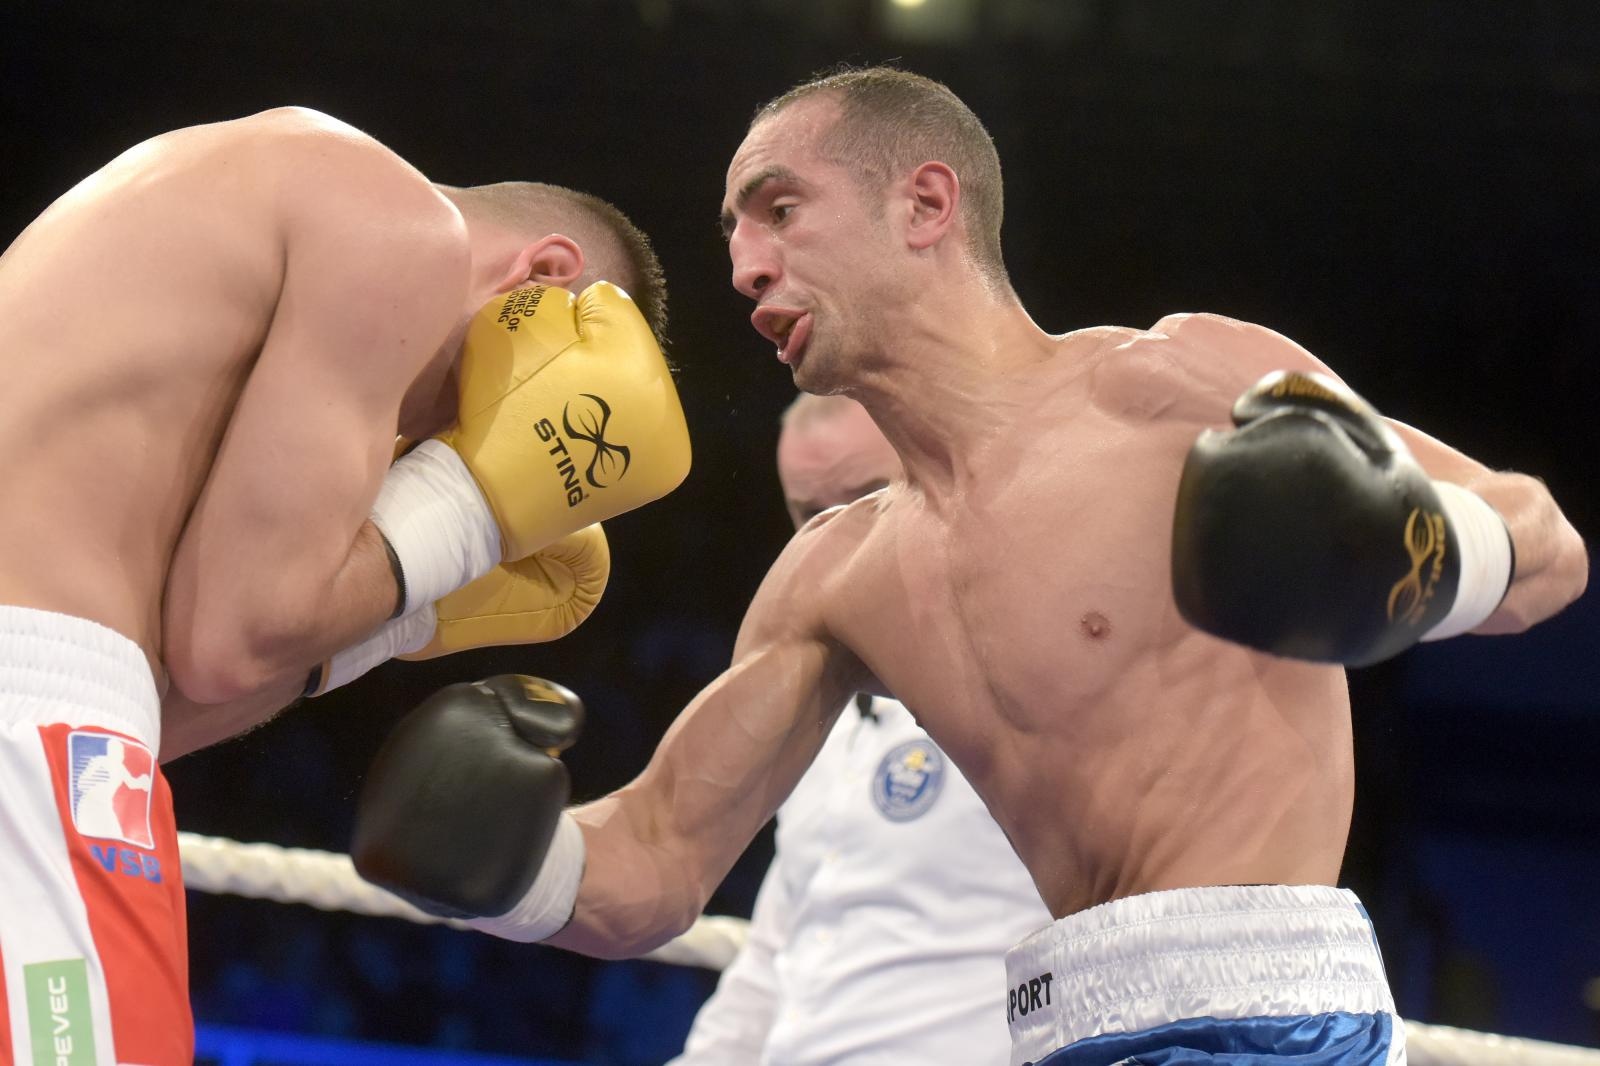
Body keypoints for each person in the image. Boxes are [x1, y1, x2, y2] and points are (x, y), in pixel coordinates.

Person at [353, 68, 1588, 1064]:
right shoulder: (834, 575)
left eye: (778, 209)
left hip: (1270, 1011)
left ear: (926, 205)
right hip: (1062, 1027)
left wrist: (1412, 554)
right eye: (731, 232)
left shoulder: (1172, 386)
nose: (743, 267)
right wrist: (503, 864)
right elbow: (653, 869)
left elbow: (1542, 546)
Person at [0, 105, 689, 1065]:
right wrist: (471, 508)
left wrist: (396, 619)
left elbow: (168, 695)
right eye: (464, 414)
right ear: (544, 277)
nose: (427, 439)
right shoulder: (398, 225)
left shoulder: (208, 239)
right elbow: (235, 640)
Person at [670, 393, 1051, 1065]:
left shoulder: (1039, 686)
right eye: (811, 517)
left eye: (869, 498)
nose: (838, 543)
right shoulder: (811, 711)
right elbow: (777, 953)